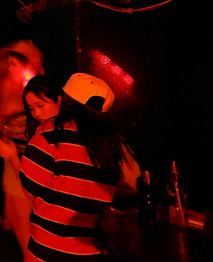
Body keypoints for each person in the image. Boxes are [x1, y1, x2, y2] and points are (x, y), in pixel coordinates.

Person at [17, 73, 140, 262]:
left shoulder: (49, 134)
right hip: (90, 251)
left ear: (66, 99)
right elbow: (130, 187)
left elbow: (29, 187)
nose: (36, 113)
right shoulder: (112, 143)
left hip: (48, 249)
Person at [0, 40, 45, 257]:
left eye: (15, 65)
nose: (9, 70)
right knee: (13, 217)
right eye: (9, 65)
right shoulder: (13, 84)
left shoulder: (37, 94)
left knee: (24, 225)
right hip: (11, 157)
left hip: (24, 160)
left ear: (31, 65)